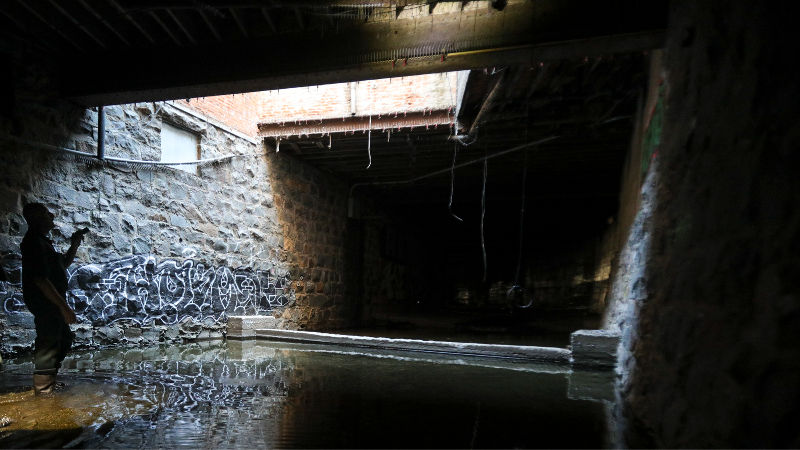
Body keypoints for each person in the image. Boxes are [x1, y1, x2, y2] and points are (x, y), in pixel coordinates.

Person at [20, 203, 85, 395]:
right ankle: (43, 389)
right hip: (46, 302)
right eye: (48, 214)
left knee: (64, 338)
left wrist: (74, 245)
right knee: (48, 343)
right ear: (38, 218)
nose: (52, 216)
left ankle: (49, 381)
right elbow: (40, 279)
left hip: (52, 303)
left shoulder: (43, 242)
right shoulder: (33, 242)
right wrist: (63, 306)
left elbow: (62, 264)